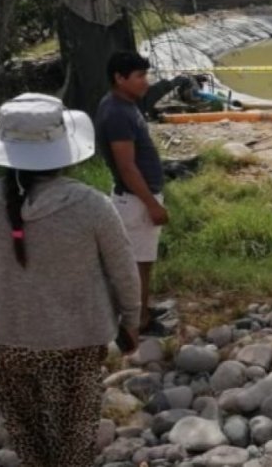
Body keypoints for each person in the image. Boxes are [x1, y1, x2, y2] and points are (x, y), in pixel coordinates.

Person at [0, 93, 141, 467]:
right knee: (73, 442)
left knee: (28, 438)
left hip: (5, 337)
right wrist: (131, 323)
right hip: (77, 341)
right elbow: (124, 272)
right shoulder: (90, 205)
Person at [96, 51, 170, 337]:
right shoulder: (116, 113)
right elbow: (127, 167)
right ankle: (139, 321)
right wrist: (152, 204)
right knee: (139, 263)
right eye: (139, 76)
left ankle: (142, 309)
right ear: (119, 78)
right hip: (137, 201)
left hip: (136, 198)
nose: (146, 83)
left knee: (142, 260)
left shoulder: (122, 105)